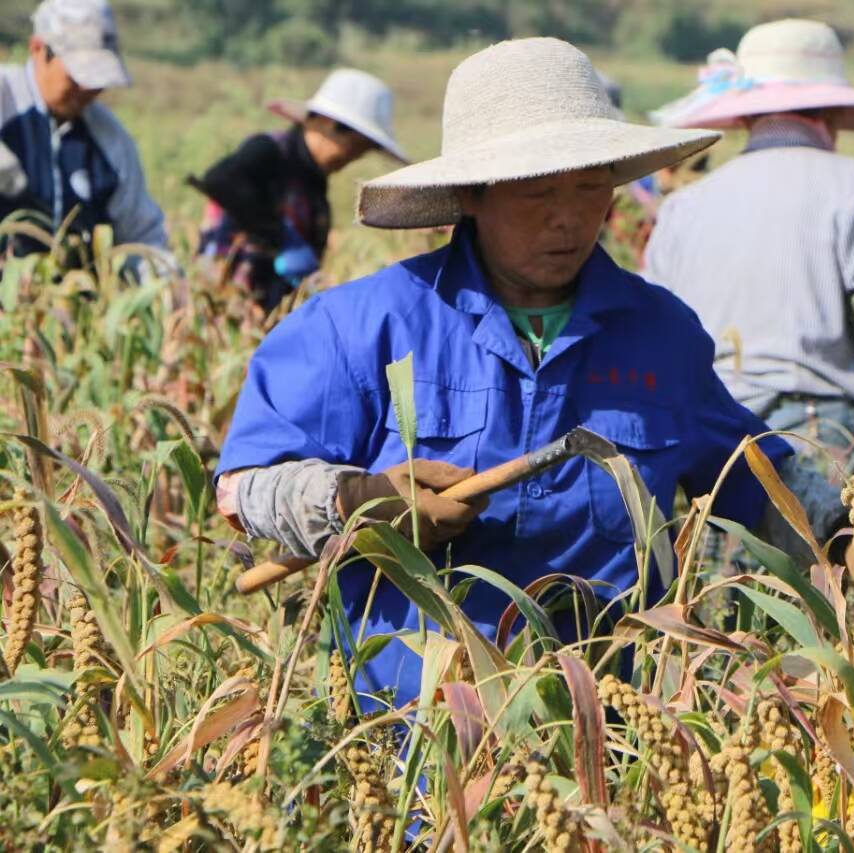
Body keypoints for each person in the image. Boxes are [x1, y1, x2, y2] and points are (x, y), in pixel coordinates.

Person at [214, 38, 791, 710]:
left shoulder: (662, 335)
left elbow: (753, 477)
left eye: (589, 185)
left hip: (604, 738)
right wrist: (357, 499)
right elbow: (243, 489)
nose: (570, 217)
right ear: (470, 195)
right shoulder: (361, 327)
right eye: (538, 190)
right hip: (412, 754)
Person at [644, 19, 854, 510]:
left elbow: (653, 333)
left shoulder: (684, 206)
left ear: (747, 118)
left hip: (706, 441)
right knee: (825, 576)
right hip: (815, 436)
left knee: (724, 583)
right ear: (831, 111)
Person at [189, 68, 406, 314]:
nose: (352, 158)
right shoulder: (269, 151)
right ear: (326, 123)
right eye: (354, 146)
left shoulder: (314, 185)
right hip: (225, 305)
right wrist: (282, 238)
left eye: (361, 152)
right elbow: (220, 181)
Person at [0, 0, 166, 257]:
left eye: (97, 78)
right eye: (78, 76)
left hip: (72, 291)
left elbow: (142, 236)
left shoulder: (111, 140)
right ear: (37, 49)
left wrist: (166, 287)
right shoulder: (5, 98)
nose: (88, 89)